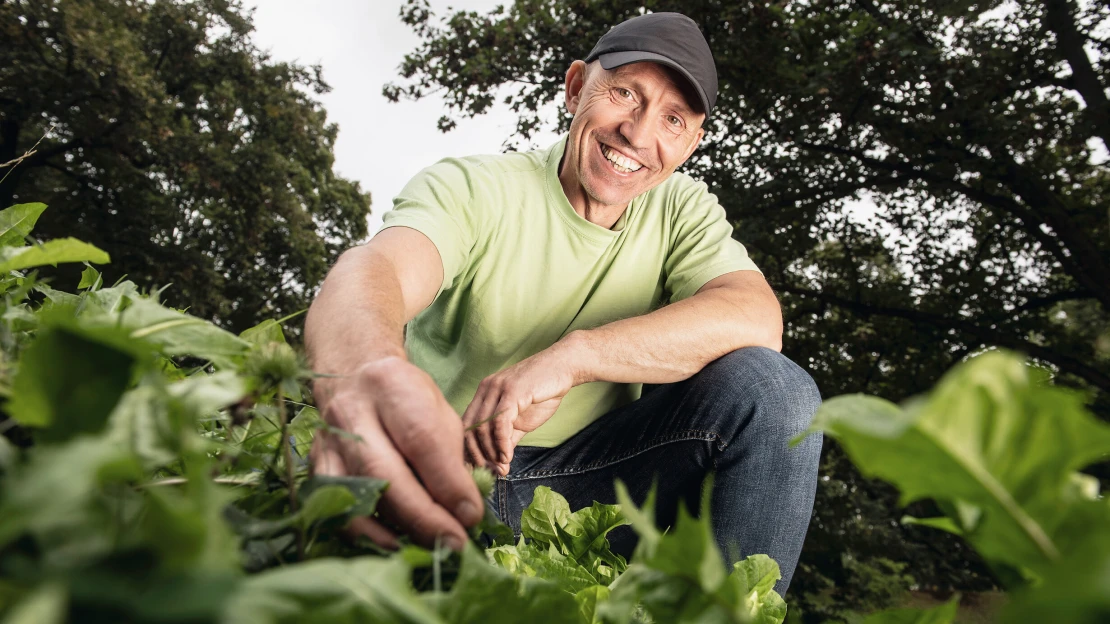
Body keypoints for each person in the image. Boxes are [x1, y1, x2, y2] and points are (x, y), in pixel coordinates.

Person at [305, 12, 822, 594]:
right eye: (625, 93)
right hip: (445, 470)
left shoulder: (682, 210)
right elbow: (372, 272)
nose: (638, 133)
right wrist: (364, 372)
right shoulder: (478, 188)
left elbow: (756, 316)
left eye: (673, 119)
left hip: (590, 486)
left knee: (773, 389)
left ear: (691, 143)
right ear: (576, 87)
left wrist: (573, 357)